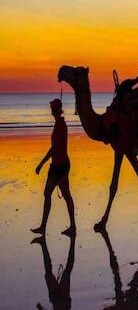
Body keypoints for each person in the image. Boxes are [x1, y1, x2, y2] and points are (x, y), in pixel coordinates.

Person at [32, 99, 76, 236]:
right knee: (53, 194)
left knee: (63, 195)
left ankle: (71, 227)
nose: (50, 109)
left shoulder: (60, 125)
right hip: (59, 164)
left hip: (60, 165)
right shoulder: (59, 123)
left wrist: (41, 163)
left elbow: (54, 148)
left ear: (54, 110)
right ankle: (44, 227)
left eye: (52, 107)